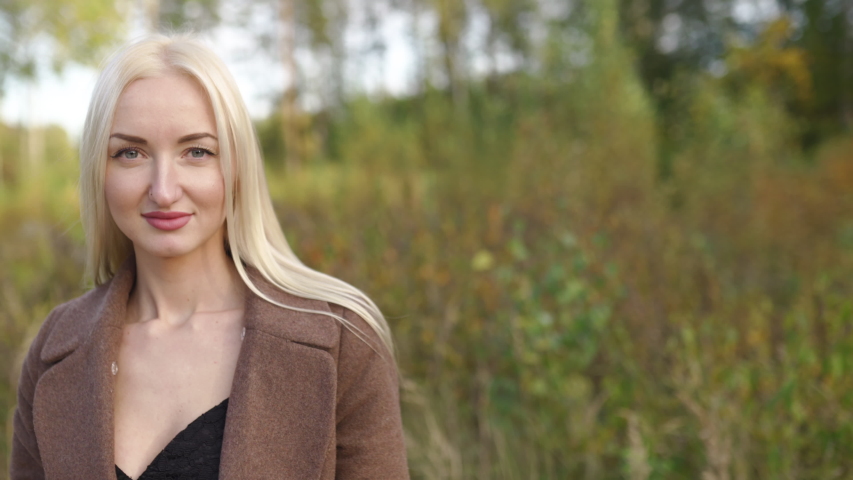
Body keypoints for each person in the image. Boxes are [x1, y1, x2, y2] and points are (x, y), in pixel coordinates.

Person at [10, 34, 409, 479]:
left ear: (236, 167)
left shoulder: (343, 341)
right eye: (130, 153)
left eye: (196, 151)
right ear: (99, 173)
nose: (163, 190)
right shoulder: (53, 353)